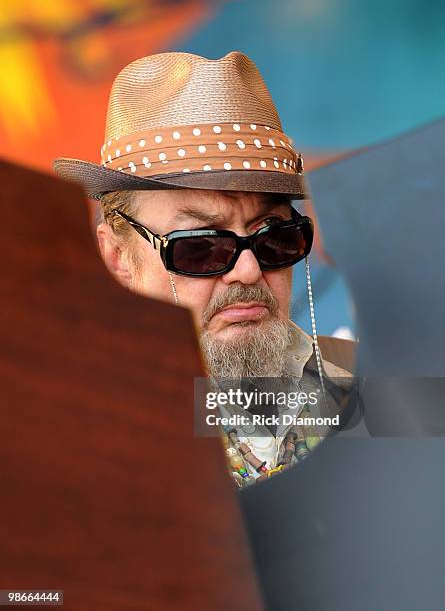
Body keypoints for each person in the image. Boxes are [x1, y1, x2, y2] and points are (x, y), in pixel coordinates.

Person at [54, 51, 353, 488]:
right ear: (117, 256)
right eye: (200, 247)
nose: (249, 270)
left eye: (274, 236)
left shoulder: (373, 386)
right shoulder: (63, 434)